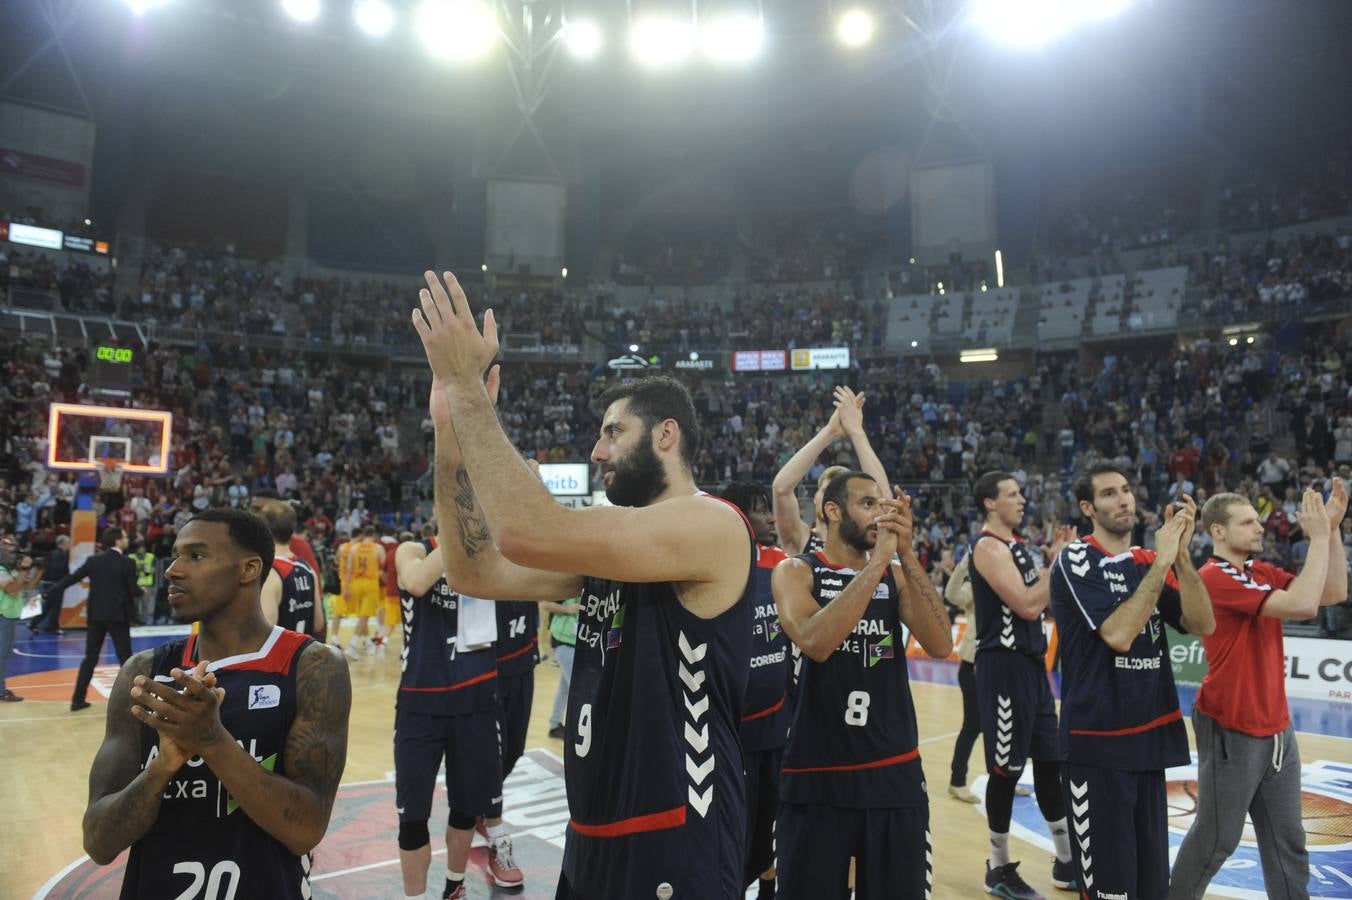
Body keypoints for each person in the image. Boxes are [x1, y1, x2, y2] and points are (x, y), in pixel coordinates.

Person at [411, 269, 754, 900]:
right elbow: (473, 570)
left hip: (676, 832)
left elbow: (522, 530)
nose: (597, 452)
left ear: (666, 435)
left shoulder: (713, 525)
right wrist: (449, 436)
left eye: (613, 432)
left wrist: (466, 389)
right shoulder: (617, 547)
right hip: (592, 829)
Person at [80, 508, 351, 899]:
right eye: (175, 555)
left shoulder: (314, 667)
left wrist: (211, 741)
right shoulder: (143, 672)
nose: (172, 570)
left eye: (196, 556)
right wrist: (161, 770)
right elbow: (99, 842)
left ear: (248, 569)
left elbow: (305, 830)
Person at [771, 471, 954, 899]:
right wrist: (876, 566)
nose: (880, 514)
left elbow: (942, 644)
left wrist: (905, 555)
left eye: (882, 504)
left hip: (893, 775)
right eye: (867, 504)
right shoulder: (797, 572)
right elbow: (816, 641)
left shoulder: (896, 575)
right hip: (816, 776)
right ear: (832, 511)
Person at [1169, 481, 1348, 900]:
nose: (1259, 527)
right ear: (1218, 531)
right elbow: (1303, 606)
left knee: (1289, 842)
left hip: (1276, 730)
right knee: (1216, 842)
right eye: (1247, 522)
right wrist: (1317, 537)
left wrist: (1333, 531)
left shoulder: (1260, 572)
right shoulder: (1215, 578)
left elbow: (1333, 592)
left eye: (1257, 520)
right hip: (1233, 725)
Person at [1049, 463, 1214, 900]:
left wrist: (1179, 554)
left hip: (1147, 744)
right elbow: (1119, 636)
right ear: (1088, 507)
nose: (1123, 499)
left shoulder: (1147, 561)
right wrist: (1161, 562)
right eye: (1108, 494)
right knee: (1111, 892)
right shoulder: (1076, 559)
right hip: (1097, 747)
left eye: (1125, 490)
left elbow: (1203, 622)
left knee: (1151, 889)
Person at [393, 531, 523, 898]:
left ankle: (454, 885)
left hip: (477, 699)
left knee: (466, 808)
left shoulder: (491, 554)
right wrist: (463, 531)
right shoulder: (413, 549)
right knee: (412, 817)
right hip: (421, 702)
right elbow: (417, 582)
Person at [968, 471, 1077, 898]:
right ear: (990, 503)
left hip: (1032, 667)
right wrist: (1057, 563)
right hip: (1004, 669)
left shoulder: (1019, 549)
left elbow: (1040, 600)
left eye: (1021, 493)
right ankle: (997, 867)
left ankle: (1067, 861)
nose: (1022, 500)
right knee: (1007, 769)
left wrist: (1052, 561)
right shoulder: (988, 547)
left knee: (1051, 763)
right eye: (1012, 494)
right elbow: (1031, 605)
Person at [721, 481, 789, 899]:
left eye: (769, 509)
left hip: (776, 724)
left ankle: (769, 888)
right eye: (759, 510)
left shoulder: (782, 563)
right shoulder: (719, 564)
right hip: (731, 729)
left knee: (770, 822)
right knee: (734, 827)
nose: (769, 518)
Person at [772, 386, 890, 556]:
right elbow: (781, 488)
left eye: (840, 494)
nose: (831, 498)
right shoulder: (800, 539)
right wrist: (829, 432)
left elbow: (883, 501)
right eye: (827, 490)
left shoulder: (865, 541)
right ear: (815, 498)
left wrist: (856, 432)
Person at [43, 527, 143, 712]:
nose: (127, 538)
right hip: (118, 616)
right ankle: (136, 701)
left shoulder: (94, 561)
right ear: (118, 541)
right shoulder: (127, 562)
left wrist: (49, 592)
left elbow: (71, 579)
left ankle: (77, 700)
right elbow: (132, 591)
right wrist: (141, 591)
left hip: (96, 615)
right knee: (125, 658)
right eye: (125, 536)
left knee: (90, 658)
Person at [257, 500, 325, 641]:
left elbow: (265, 633)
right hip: (302, 656)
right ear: (292, 530)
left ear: (262, 530)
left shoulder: (270, 572)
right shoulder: (308, 569)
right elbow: (319, 624)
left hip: (280, 660)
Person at [944, 552, 981, 803]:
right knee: (973, 725)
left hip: (999, 665)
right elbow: (951, 595)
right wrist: (962, 566)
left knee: (1003, 725)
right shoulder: (974, 586)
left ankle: (1005, 778)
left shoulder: (1009, 583)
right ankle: (957, 781)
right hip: (972, 665)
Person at [1, 535, 43, 701]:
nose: (12, 550)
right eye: (6, 546)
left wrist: (39, 571)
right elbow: (12, 589)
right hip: (3, 616)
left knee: (3, 654)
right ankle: (0, 690)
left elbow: (28, 586)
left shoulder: (10, 569)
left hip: (8, 616)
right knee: (2, 655)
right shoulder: (1, 570)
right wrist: (24, 570)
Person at [342, 525, 385, 659]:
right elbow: (384, 567)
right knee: (364, 616)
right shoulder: (378, 548)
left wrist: (347, 588)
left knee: (362, 616)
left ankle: (367, 643)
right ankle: (352, 646)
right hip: (370, 584)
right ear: (374, 535)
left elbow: (348, 570)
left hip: (355, 584)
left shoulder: (354, 548)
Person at [543, 594, 579, 740]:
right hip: (563, 643)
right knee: (577, 689)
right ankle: (577, 730)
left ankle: (555, 725)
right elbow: (545, 603)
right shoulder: (567, 587)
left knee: (564, 689)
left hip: (574, 644)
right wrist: (568, 609)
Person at [33, 534, 69, 634]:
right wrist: (62, 581)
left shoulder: (53, 553)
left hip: (51, 583)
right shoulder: (60, 554)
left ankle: (34, 624)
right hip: (55, 584)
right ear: (64, 543)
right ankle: (53, 627)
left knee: (49, 607)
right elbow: (57, 570)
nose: (69, 545)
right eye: (68, 543)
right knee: (55, 606)